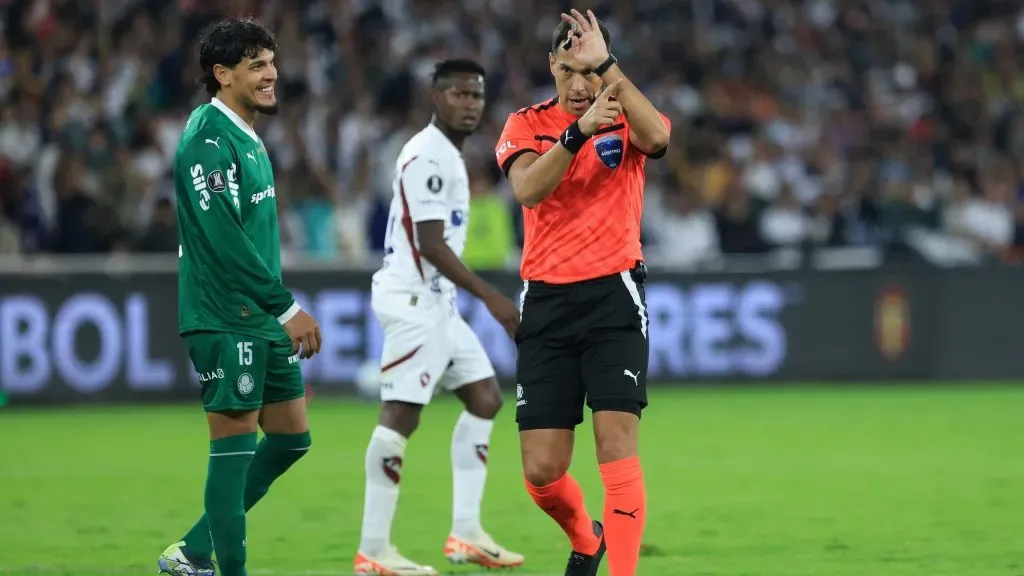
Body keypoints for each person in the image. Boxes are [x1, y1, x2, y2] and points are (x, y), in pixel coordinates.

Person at [494, 9, 671, 576]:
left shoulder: (626, 117)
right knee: (542, 470)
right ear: (551, 64)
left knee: (616, 448)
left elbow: (661, 138)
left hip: (613, 296)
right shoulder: (525, 123)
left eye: (589, 72)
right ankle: (584, 538)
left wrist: (610, 72)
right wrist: (578, 132)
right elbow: (527, 190)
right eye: (568, 70)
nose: (579, 85)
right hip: (546, 302)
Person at [158, 17, 322, 576]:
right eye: (256, 65)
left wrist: (273, 309)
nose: (271, 74)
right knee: (231, 452)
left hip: (257, 316)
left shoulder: (245, 134)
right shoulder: (205, 140)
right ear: (221, 75)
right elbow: (223, 238)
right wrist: (286, 306)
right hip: (224, 317)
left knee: (291, 438)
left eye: (272, 62)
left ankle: (191, 550)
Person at [353, 59, 524, 576]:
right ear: (435, 96)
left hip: (437, 303)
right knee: (401, 415)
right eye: (459, 94)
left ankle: (467, 533)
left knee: (485, 397)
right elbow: (429, 244)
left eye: (477, 96)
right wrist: (492, 298)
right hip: (414, 300)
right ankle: (374, 549)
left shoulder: (448, 155)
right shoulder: (429, 155)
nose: (470, 104)